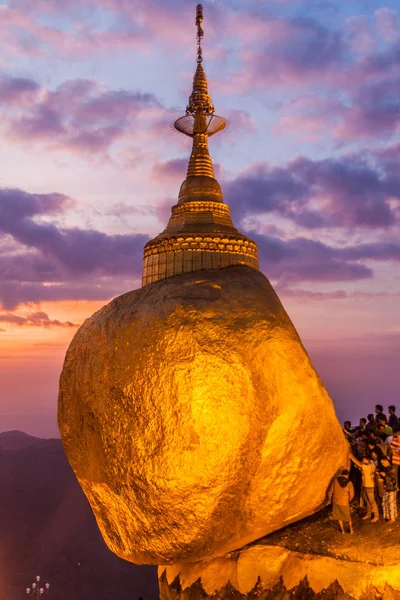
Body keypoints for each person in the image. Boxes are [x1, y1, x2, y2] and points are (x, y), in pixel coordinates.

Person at [349, 453, 379, 522]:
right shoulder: (368, 466)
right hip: (366, 485)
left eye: (364, 459)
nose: (363, 460)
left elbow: (358, 464)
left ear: (367, 460)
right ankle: (369, 514)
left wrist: (352, 457)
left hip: (369, 486)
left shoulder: (368, 467)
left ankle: (376, 516)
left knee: (372, 501)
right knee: (367, 500)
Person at [328, 468, 354, 534]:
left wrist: (330, 499)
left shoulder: (335, 480)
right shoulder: (349, 483)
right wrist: (348, 500)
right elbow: (352, 494)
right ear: (347, 475)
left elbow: (330, 491)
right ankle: (351, 530)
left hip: (336, 501)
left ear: (341, 474)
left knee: (339, 516)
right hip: (344, 501)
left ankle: (342, 530)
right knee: (348, 516)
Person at [378, 457, 397, 523]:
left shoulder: (392, 469)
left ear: (386, 461)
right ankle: (388, 516)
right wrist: (383, 479)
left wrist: (385, 476)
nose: (382, 464)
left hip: (391, 489)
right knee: (386, 503)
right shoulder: (386, 468)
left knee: (391, 503)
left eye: (383, 462)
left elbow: (392, 480)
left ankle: (392, 518)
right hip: (386, 488)